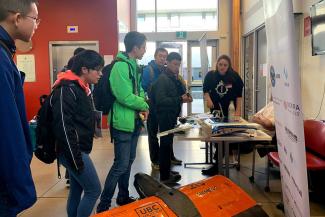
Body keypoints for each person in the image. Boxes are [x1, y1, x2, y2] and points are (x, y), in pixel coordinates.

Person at [97, 31, 149, 213]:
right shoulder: (120, 67)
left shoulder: (133, 65)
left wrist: (143, 102)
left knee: (128, 162)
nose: (145, 50)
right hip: (122, 123)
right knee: (120, 164)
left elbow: (139, 89)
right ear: (135, 48)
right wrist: (144, 104)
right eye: (143, 47)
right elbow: (124, 96)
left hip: (134, 121)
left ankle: (123, 196)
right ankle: (103, 205)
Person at [51, 50, 104, 217]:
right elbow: (64, 128)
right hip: (73, 151)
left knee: (76, 190)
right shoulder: (67, 89)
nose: (101, 74)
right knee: (94, 190)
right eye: (97, 69)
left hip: (78, 149)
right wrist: (76, 159)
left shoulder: (82, 88)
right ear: (84, 70)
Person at [0, 1, 39, 216]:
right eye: (35, 19)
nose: (37, 25)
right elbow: (6, 130)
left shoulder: (6, 52)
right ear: (16, 18)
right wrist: (21, 189)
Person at [151, 52, 192, 184]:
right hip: (164, 116)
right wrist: (180, 98)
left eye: (179, 65)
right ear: (167, 63)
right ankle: (164, 176)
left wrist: (184, 97)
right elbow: (161, 101)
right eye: (174, 64)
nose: (177, 67)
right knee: (165, 145)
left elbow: (176, 94)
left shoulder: (173, 78)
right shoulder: (163, 79)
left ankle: (167, 170)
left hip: (171, 116)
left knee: (168, 145)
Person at [201, 55, 244, 176]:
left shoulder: (234, 76)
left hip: (230, 111)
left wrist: (238, 111)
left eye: (225, 65)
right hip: (216, 110)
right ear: (217, 64)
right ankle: (218, 161)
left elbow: (239, 96)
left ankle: (217, 164)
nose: (222, 67)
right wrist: (208, 99)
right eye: (220, 64)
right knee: (216, 135)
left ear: (228, 66)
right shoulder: (211, 75)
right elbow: (205, 89)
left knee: (225, 136)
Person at [141, 48, 182, 170]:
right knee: (153, 135)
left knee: (168, 134)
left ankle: (169, 157)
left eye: (165, 56)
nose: (162, 58)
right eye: (160, 56)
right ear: (155, 56)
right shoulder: (149, 70)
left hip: (166, 110)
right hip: (153, 107)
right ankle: (155, 160)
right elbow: (143, 88)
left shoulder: (168, 71)